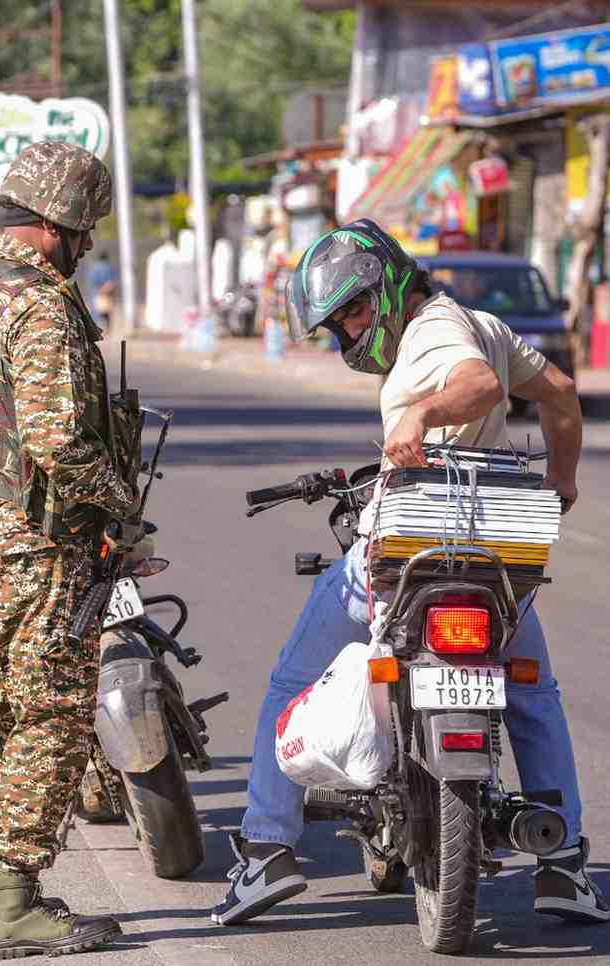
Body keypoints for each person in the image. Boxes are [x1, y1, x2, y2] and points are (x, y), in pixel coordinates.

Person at [214, 218, 606, 926]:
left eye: (357, 311)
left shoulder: (434, 333)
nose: (351, 333)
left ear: (391, 285)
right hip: (493, 562)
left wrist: (421, 413)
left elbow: (480, 385)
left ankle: (267, 852)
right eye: (339, 325)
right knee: (533, 697)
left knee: (290, 682)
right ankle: (565, 866)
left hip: (405, 559)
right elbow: (560, 393)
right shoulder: (486, 323)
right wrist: (563, 483)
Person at [0, 141, 133, 958]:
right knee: (50, 715)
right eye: (85, 232)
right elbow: (55, 440)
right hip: (33, 542)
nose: (86, 247)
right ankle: (14, 900)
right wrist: (123, 506)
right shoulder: (39, 304)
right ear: (59, 225)